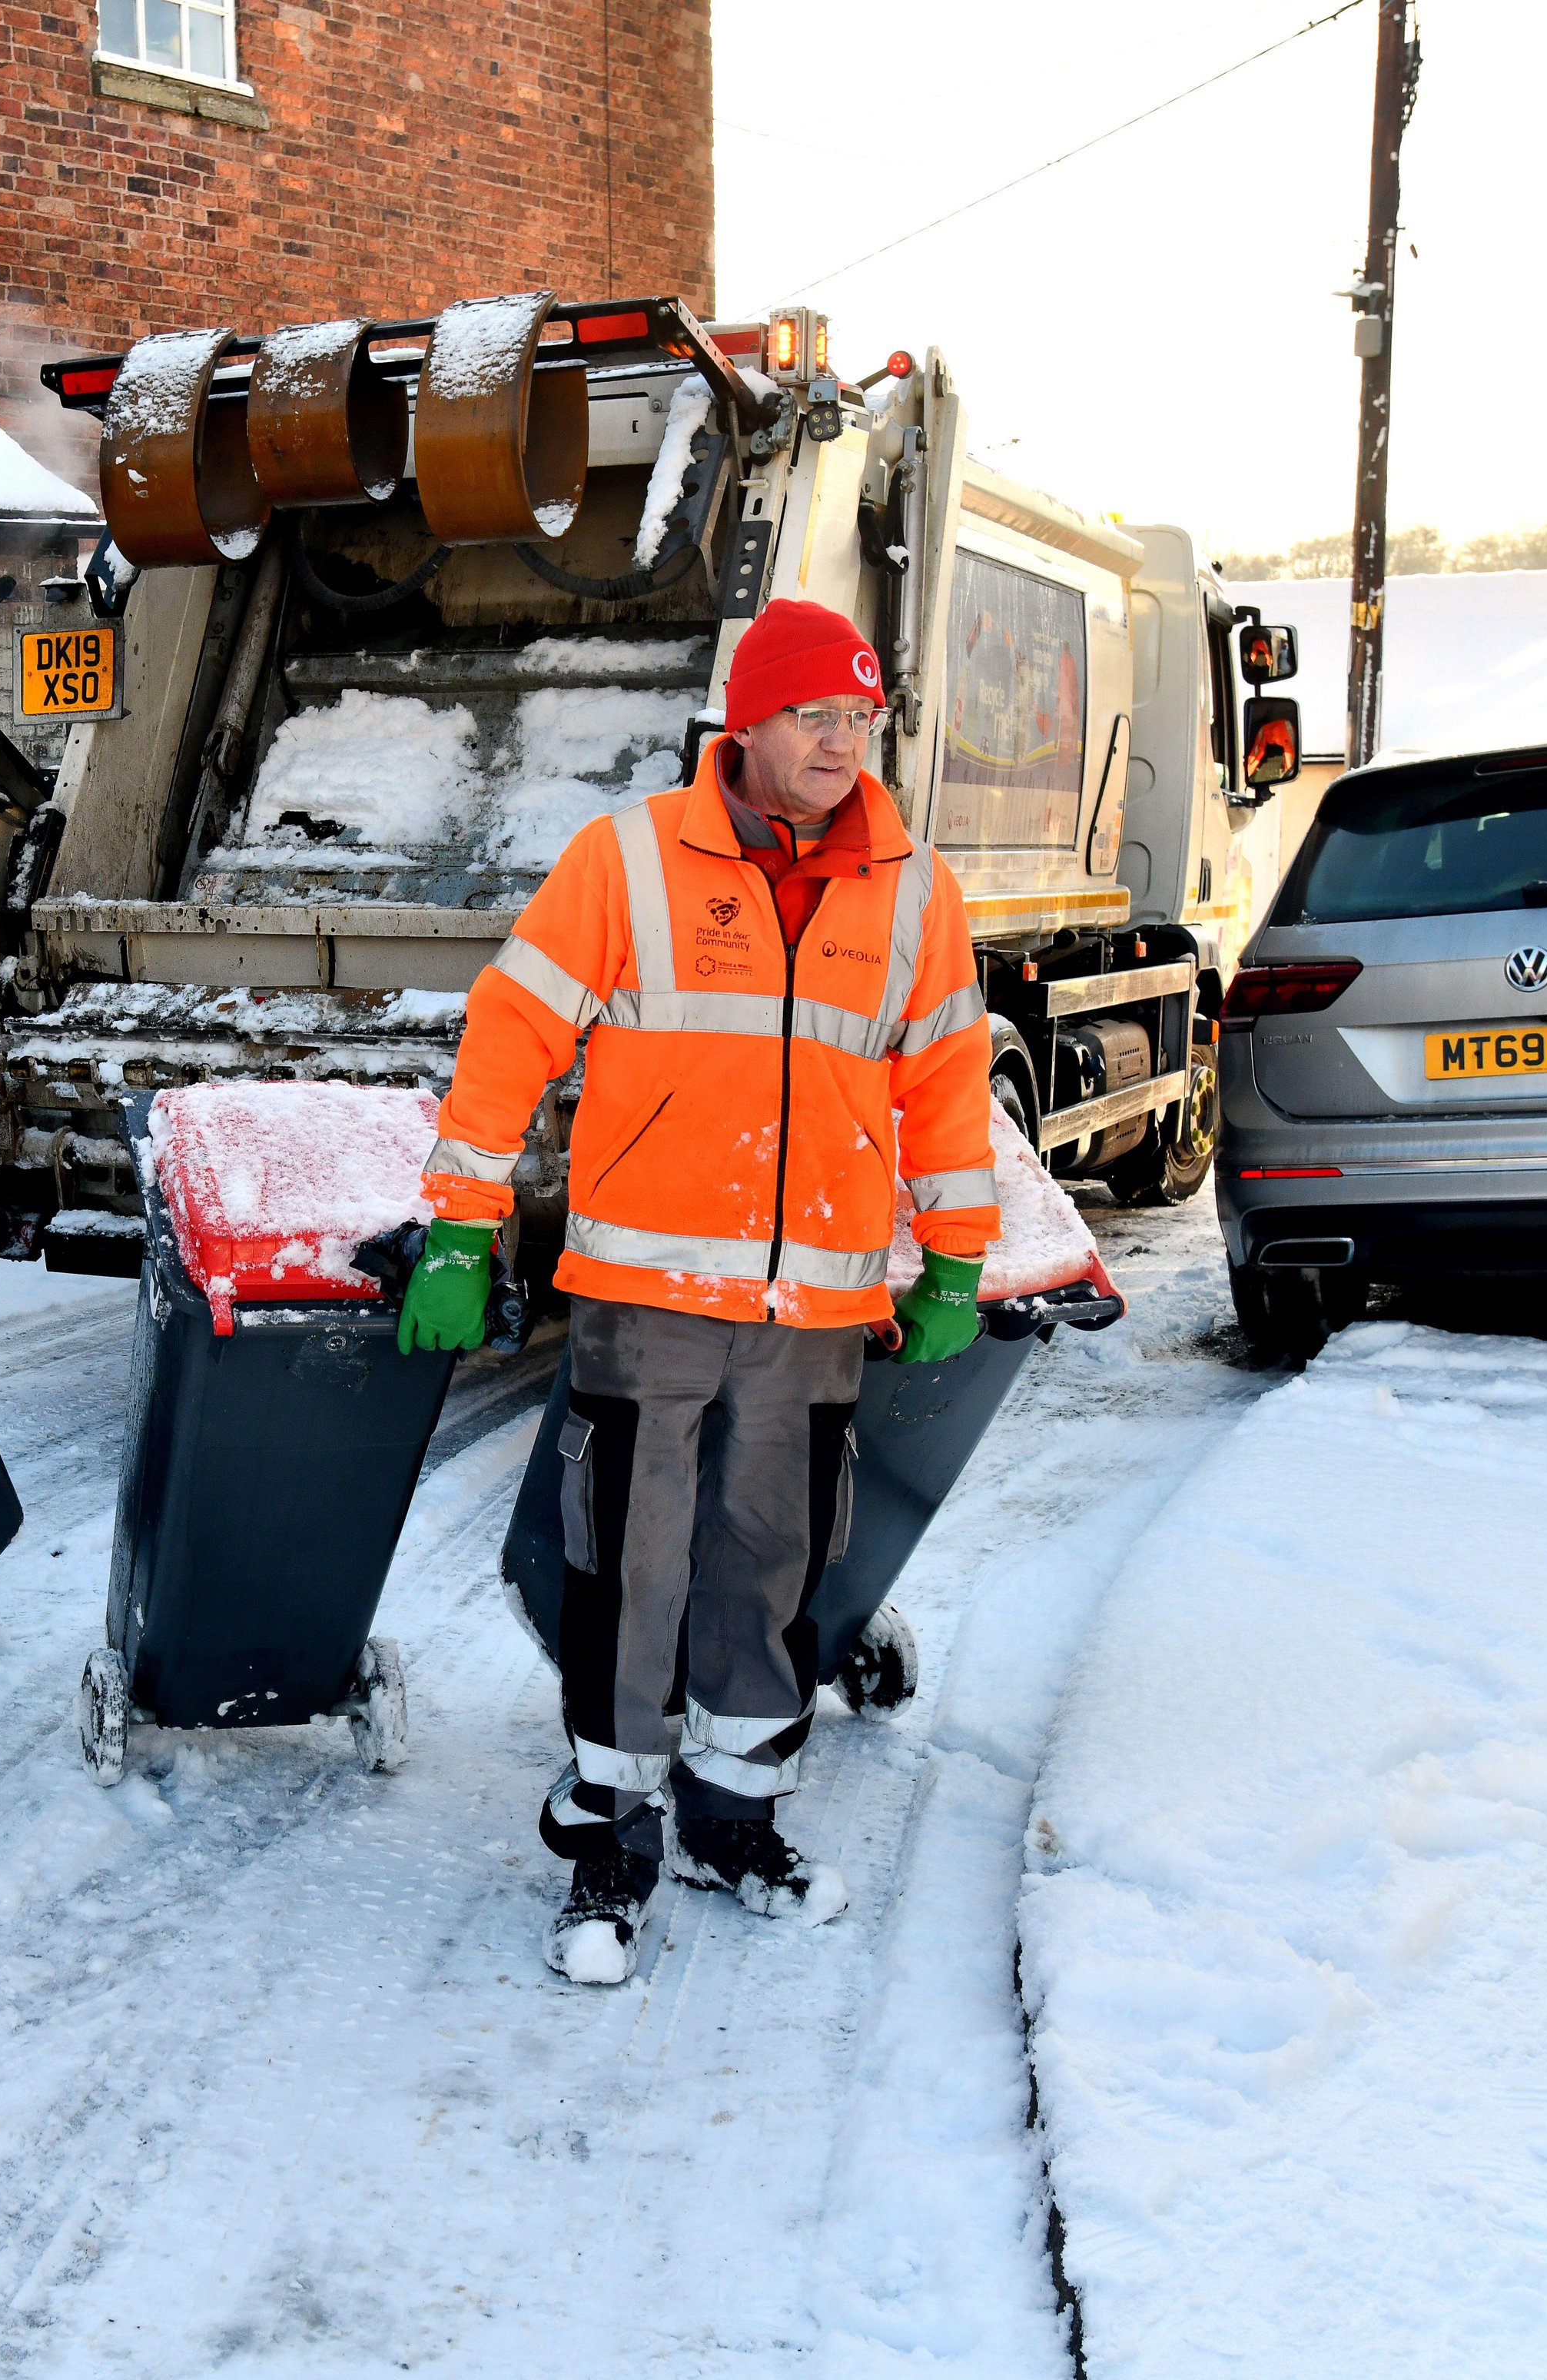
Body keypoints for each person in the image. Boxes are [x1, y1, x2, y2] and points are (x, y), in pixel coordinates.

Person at [397, 598, 998, 1984]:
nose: (844, 744)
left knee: (770, 1567)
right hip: (647, 1295)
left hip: (815, 1317)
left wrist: (955, 1247)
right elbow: (512, 1033)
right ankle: (608, 1831)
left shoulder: (915, 890)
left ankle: (737, 1815)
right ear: (751, 719)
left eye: (863, 719)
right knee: (630, 1558)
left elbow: (948, 1086)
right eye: (816, 717)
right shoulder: (627, 863)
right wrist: (460, 1221)